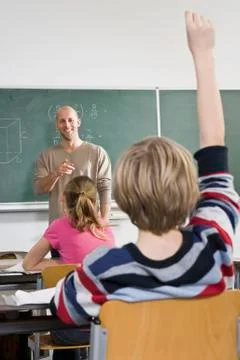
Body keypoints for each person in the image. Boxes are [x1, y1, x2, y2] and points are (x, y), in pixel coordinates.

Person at [51, 9, 239, 349]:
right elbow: (215, 148)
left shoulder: (103, 270)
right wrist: (204, 56)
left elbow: (64, 310)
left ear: (124, 198)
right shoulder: (214, 249)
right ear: (190, 195)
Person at [33, 105, 112, 225]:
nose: (67, 125)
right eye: (62, 121)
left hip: (88, 225)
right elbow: (38, 189)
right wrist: (55, 174)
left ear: (78, 122)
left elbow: (105, 188)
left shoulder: (97, 152)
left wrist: (104, 221)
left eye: (70, 120)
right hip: (58, 227)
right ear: (56, 125)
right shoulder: (46, 155)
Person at [23, 175, 115, 271]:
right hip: (108, 285)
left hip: (76, 284)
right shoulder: (105, 227)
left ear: (63, 199)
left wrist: (65, 264)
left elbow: (28, 264)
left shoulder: (58, 226)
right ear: (95, 202)